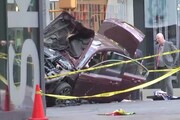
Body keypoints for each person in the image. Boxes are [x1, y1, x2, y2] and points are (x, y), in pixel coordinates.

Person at [155, 33, 179, 98]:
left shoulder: (169, 44)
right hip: (159, 67)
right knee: (162, 83)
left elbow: (177, 52)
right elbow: (156, 57)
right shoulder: (157, 46)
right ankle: (163, 96)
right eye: (156, 38)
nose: (157, 40)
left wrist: (173, 63)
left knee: (168, 82)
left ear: (162, 37)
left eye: (158, 38)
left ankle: (170, 96)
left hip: (167, 66)